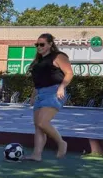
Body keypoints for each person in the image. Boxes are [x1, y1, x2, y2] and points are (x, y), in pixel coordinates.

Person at [26, 33, 74, 161]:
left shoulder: (58, 56)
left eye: (42, 44)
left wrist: (61, 87)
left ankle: (61, 142)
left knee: (43, 122)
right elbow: (38, 82)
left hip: (54, 92)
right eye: (37, 45)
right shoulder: (38, 61)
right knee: (38, 125)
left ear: (50, 44)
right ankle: (36, 155)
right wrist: (33, 96)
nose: (39, 47)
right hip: (40, 94)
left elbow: (69, 73)